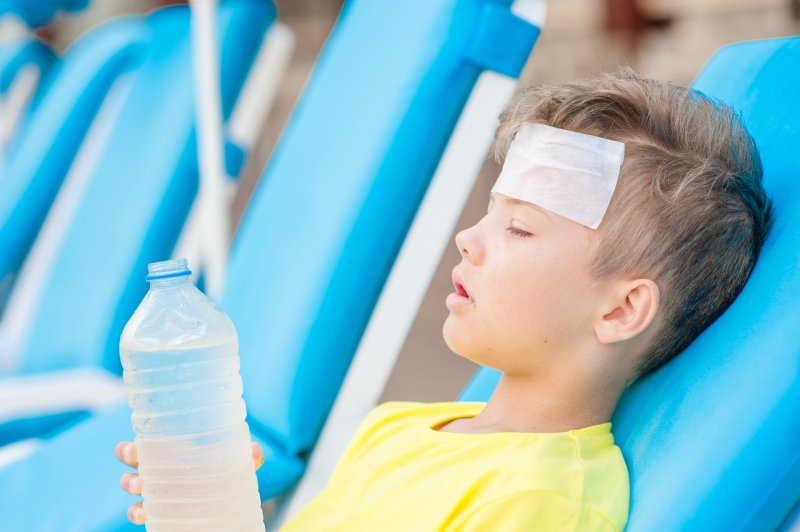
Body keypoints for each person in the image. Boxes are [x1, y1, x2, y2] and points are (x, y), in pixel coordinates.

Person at [116, 68, 773, 530]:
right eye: (491, 212)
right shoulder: (398, 428)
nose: (468, 238)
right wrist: (217, 500)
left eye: (519, 227)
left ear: (621, 311)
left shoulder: (542, 501)